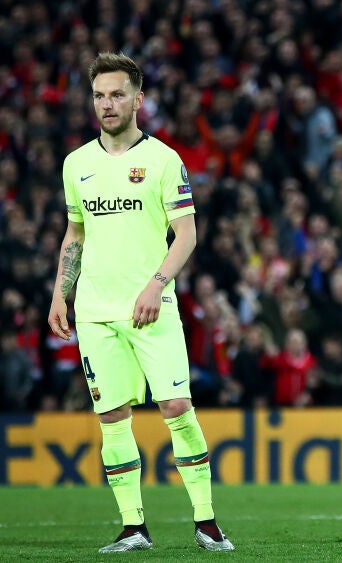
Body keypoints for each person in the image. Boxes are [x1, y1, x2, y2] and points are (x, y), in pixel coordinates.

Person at [47, 53, 234, 553]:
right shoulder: (76, 164)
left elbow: (186, 234)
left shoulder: (163, 160)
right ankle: (134, 527)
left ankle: (207, 522)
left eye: (117, 94)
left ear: (138, 100)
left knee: (176, 406)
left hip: (152, 307)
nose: (107, 104)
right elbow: (75, 233)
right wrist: (60, 293)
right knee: (112, 416)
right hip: (94, 311)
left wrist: (156, 284)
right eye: (99, 95)